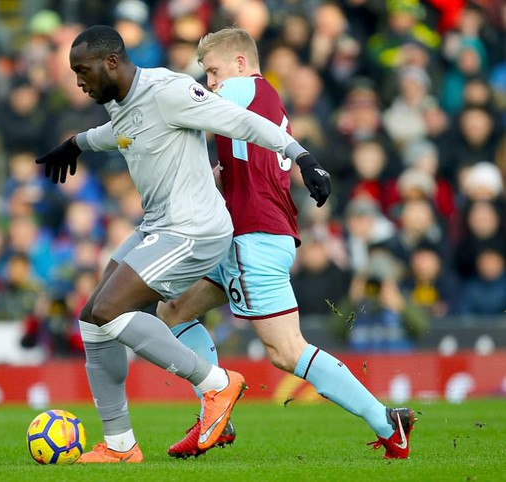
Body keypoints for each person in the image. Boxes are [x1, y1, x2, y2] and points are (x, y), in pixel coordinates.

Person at [34, 25, 331, 463]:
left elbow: (243, 122)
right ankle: (120, 446)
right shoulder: (122, 103)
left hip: (194, 230)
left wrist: (302, 156)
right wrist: (75, 144)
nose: (79, 80)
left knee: (107, 311)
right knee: (92, 322)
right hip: (159, 226)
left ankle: (217, 384)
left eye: (83, 70)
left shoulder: (168, 90)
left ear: (111, 62)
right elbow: (117, 135)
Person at [156, 27, 415, 460]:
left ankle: (385, 420)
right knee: (173, 309)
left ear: (240, 63)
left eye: (213, 71)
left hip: (252, 238)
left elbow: (192, 110)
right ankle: (215, 412)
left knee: (285, 350)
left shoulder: (241, 88)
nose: (210, 82)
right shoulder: (264, 98)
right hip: (247, 235)